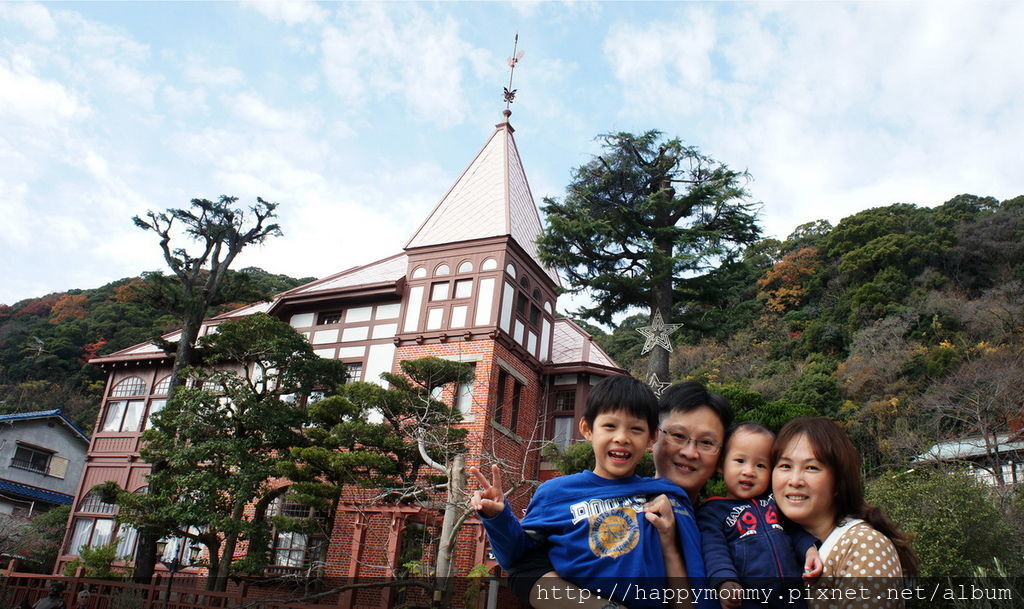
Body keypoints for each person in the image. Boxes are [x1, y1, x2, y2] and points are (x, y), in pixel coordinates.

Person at [477, 381, 733, 609]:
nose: (621, 438)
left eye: (635, 429)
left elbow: (695, 582)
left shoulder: (671, 497)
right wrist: (498, 518)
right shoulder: (555, 493)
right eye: (610, 426)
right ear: (587, 429)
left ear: (651, 437)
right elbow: (519, 560)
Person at [772, 417, 918, 608]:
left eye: (811, 468)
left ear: (838, 482)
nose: (795, 480)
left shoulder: (863, 544)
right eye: (785, 466)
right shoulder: (773, 541)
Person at [697, 422, 821, 609]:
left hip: (794, 595)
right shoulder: (713, 511)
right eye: (740, 461)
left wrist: (809, 549)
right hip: (750, 598)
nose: (749, 471)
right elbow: (714, 550)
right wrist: (725, 580)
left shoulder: (775, 501)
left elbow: (794, 531)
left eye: (761, 465)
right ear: (721, 464)